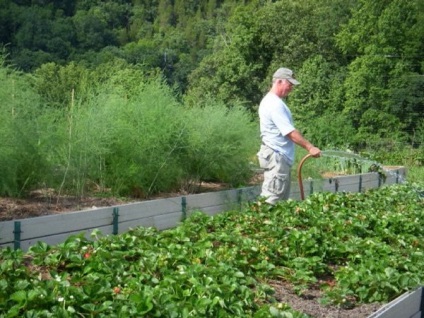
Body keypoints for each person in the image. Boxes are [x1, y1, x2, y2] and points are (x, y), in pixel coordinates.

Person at [257, 67, 321, 205]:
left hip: (279, 158)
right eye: (289, 84)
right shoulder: (274, 104)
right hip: (276, 157)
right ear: (279, 81)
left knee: (279, 202)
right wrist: (310, 147)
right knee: (271, 199)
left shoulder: (274, 102)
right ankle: (257, 224)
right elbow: (290, 132)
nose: (291, 88)